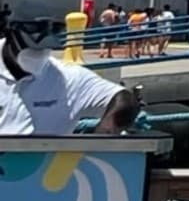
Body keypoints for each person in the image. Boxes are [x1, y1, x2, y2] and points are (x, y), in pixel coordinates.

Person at [0, 23, 142, 136]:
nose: (37, 54)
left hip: (47, 168)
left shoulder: (69, 77)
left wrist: (107, 128)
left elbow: (124, 99)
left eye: (43, 48)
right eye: (31, 47)